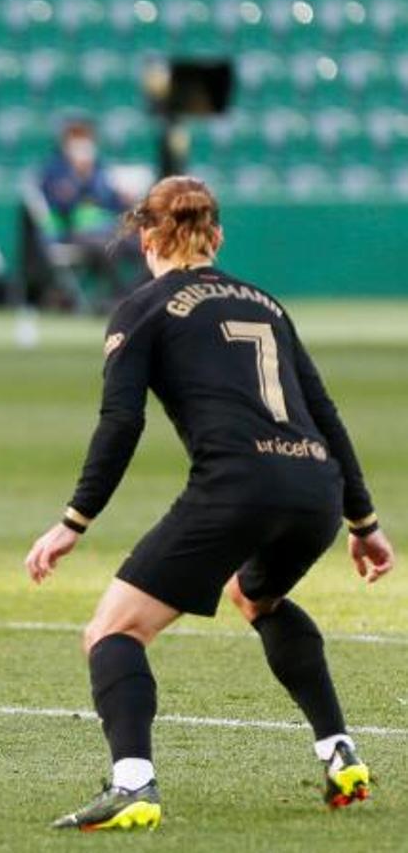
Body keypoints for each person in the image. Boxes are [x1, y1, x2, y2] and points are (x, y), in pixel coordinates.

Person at [23, 176, 396, 830]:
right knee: (256, 596)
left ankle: (133, 783)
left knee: (112, 631)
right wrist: (363, 522)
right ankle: (341, 754)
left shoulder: (142, 308)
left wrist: (72, 522)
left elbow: (121, 424)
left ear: (146, 237)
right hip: (314, 487)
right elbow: (325, 414)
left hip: (238, 486)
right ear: (214, 236)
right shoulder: (266, 304)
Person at [35, 119, 143, 307]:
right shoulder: (53, 170)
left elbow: (111, 203)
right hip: (72, 231)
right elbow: (61, 205)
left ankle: (133, 294)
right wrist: (79, 178)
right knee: (109, 245)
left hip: (106, 227)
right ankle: (118, 296)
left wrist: (124, 198)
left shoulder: (100, 168)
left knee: (143, 243)